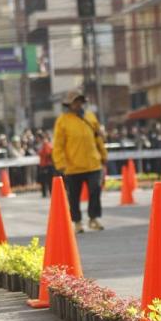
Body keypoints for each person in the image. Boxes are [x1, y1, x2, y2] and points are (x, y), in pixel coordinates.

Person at [52, 89, 108, 234]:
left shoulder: (90, 117)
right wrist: (61, 164)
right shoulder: (62, 121)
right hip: (73, 167)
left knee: (95, 191)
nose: (78, 104)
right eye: (75, 102)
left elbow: (97, 138)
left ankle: (93, 218)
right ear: (69, 104)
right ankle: (77, 222)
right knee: (74, 196)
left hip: (93, 163)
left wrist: (103, 155)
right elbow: (58, 145)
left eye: (80, 101)